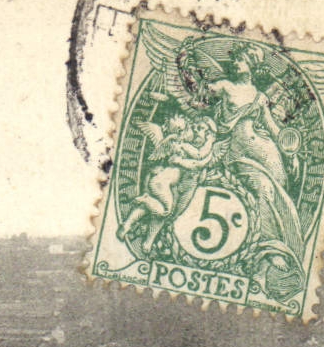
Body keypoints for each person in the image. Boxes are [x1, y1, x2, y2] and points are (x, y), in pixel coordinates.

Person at [210, 46, 306, 295]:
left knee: (280, 187)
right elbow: (198, 96)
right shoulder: (223, 86)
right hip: (238, 152)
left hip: (265, 150)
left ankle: (278, 255)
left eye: (240, 60)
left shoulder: (259, 96)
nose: (235, 64)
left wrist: (290, 153)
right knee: (263, 188)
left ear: (251, 65)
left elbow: (273, 129)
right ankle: (270, 250)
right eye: (235, 60)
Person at [118, 113, 218, 253]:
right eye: (196, 127)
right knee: (165, 211)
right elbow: (198, 158)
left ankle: (131, 228)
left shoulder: (187, 144)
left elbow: (200, 159)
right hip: (162, 183)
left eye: (202, 129)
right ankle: (145, 200)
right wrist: (209, 143)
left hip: (166, 184)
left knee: (159, 211)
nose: (197, 130)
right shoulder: (183, 144)